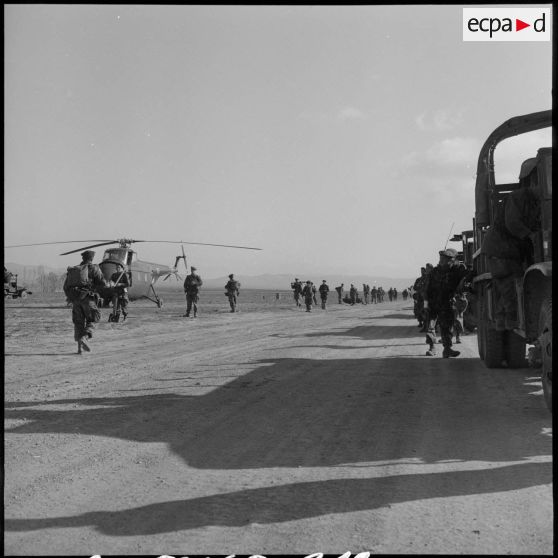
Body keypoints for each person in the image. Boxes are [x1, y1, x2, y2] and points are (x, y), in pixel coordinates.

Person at [423, 248, 471, 357]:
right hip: (433, 304)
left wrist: (467, 269)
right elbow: (426, 290)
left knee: (446, 327)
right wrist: (426, 305)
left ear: (452, 260)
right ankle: (432, 347)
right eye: (441, 259)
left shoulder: (455, 271)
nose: (442, 261)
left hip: (446, 304)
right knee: (430, 326)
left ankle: (447, 349)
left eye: (445, 259)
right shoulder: (434, 272)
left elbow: (466, 275)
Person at [63, 250, 110, 354]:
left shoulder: (74, 270)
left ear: (83, 258)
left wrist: (71, 297)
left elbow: (65, 286)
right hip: (88, 299)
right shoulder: (94, 268)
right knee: (94, 319)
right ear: (91, 258)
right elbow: (103, 283)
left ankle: (79, 349)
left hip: (75, 300)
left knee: (78, 323)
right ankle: (85, 337)